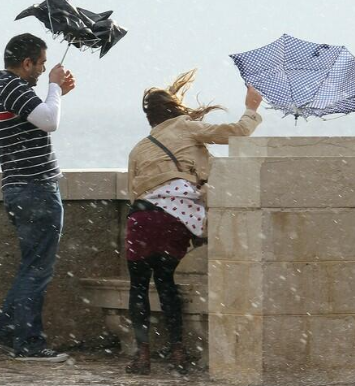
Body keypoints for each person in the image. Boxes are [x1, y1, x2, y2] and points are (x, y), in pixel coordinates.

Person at [124, 69, 263, 375]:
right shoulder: (187, 127)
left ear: (151, 119)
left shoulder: (139, 147)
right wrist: (252, 108)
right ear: (175, 109)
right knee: (165, 283)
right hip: (173, 218)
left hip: (141, 218)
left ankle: (143, 355)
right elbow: (237, 133)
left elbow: (133, 191)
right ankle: (177, 352)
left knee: (138, 287)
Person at [0, 33, 76, 362]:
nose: (43, 69)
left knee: (31, 267)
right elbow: (50, 121)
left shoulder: (3, 90)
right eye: (41, 64)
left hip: (21, 188)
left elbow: (42, 117)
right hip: (35, 188)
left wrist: (57, 92)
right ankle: (28, 343)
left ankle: (6, 333)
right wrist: (54, 87)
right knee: (38, 269)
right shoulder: (12, 88)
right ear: (26, 63)